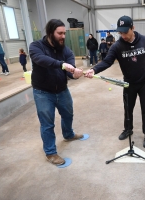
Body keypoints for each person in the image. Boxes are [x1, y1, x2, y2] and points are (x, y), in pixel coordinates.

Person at [85, 16, 145, 148]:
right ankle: (128, 129)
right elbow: (107, 61)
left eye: (125, 32)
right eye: (120, 33)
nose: (123, 35)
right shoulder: (117, 46)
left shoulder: (144, 40)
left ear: (133, 28)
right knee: (128, 109)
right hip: (128, 84)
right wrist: (94, 70)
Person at [29, 19, 84, 166]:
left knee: (68, 114)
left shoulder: (65, 50)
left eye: (64, 33)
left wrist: (74, 74)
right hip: (43, 92)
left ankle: (68, 134)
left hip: (62, 90)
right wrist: (61, 64)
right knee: (47, 124)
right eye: (60, 33)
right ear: (50, 32)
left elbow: (70, 69)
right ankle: (51, 153)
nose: (63, 36)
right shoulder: (36, 46)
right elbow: (41, 60)